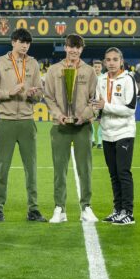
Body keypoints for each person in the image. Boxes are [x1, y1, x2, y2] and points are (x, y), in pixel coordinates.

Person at [0, 28, 45, 223]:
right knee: (2, 167)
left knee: (31, 167)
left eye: (28, 43)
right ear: (13, 42)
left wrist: (33, 94)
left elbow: (39, 94)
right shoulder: (0, 63)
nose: (25, 45)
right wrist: (10, 92)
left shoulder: (34, 63)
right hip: (6, 121)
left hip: (27, 121)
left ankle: (34, 209)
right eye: (21, 41)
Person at [43, 34, 98, 223]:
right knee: (60, 169)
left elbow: (94, 99)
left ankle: (86, 207)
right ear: (65, 48)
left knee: (85, 169)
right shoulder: (54, 70)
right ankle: (60, 208)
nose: (74, 50)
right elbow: (48, 97)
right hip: (60, 126)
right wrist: (59, 115)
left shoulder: (89, 71)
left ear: (81, 49)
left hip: (82, 127)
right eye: (70, 47)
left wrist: (84, 116)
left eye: (77, 47)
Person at [92, 47, 137, 225]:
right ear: (104, 62)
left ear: (121, 61)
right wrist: (93, 113)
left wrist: (105, 106)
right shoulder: (101, 80)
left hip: (124, 132)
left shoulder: (128, 79)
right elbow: (98, 105)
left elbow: (130, 109)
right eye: (108, 59)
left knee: (123, 172)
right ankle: (118, 209)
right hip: (108, 133)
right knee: (113, 174)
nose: (111, 63)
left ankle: (128, 212)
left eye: (115, 59)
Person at [91, 59, 104, 148]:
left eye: (98, 67)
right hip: (92, 102)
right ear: (93, 67)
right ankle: (92, 140)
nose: (97, 68)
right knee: (90, 121)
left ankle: (100, 142)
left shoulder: (104, 77)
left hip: (101, 102)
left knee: (101, 122)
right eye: (95, 67)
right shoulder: (90, 78)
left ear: (101, 67)